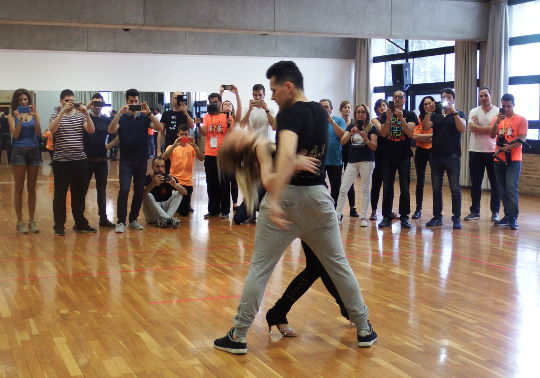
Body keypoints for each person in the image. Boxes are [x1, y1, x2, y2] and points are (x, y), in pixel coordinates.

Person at [213, 61, 377, 355]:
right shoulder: (318, 111)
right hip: (317, 199)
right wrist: (291, 161)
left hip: (286, 201)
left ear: (288, 86)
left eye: (274, 90)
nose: (272, 97)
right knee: (338, 266)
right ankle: (364, 327)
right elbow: (289, 154)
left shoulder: (287, 118)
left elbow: (285, 156)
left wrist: (275, 198)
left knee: (260, 270)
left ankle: (238, 335)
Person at [108, 88, 163, 233]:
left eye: (136, 101)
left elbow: (160, 127)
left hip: (141, 160)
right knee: (124, 189)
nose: (133, 103)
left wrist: (149, 113)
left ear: (139, 101)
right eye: (131, 101)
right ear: (127, 101)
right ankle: (121, 221)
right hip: (126, 161)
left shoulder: (145, 118)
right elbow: (111, 130)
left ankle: (133, 219)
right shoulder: (122, 117)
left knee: (139, 191)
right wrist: (119, 113)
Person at [48, 89, 96, 236]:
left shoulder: (80, 116)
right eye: (67, 100)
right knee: (60, 195)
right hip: (61, 162)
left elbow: (91, 130)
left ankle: (80, 223)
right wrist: (62, 112)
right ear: (61, 101)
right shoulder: (56, 115)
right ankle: (59, 225)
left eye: (72, 101)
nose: (70, 103)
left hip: (79, 161)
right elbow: (52, 129)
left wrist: (86, 113)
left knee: (79, 195)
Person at [423, 88, 466, 230]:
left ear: (453, 99)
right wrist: (429, 111)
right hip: (436, 157)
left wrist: (453, 111)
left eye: (449, 97)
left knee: (455, 189)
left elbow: (462, 128)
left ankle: (456, 218)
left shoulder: (458, 114)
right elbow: (425, 127)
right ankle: (437, 217)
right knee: (436, 188)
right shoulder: (435, 115)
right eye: (443, 97)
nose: (446, 99)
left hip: (452, 157)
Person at [378, 91, 417, 229]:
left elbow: (410, 133)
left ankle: (404, 217)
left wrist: (401, 119)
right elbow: (382, 133)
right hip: (388, 156)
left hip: (404, 156)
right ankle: (386, 216)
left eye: (400, 97)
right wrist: (388, 119)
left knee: (405, 188)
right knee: (387, 187)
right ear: (392, 100)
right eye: (395, 97)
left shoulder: (410, 114)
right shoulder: (385, 115)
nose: (397, 99)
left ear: (404, 100)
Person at [490, 93, 528, 230]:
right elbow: (491, 135)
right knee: (502, 189)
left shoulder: (521, 120)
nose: (506, 109)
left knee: (511, 188)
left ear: (513, 105)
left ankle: (513, 218)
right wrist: (496, 122)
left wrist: (508, 147)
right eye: (503, 106)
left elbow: (522, 139)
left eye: (508, 106)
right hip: (498, 158)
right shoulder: (497, 119)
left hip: (514, 159)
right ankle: (507, 216)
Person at [336, 104, 378, 227]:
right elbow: (342, 141)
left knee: (365, 189)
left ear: (367, 114)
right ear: (355, 114)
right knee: (343, 189)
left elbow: (374, 147)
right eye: (358, 112)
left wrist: (365, 138)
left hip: (367, 161)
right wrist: (350, 134)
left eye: (363, 112)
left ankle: (364, 217)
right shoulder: (351, 126)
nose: (360, 114)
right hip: (352, 162)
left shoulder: (372, 128)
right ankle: (337, 216)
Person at [7, 89, 42, 233]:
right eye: (20, 100)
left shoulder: (35, 114)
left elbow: (38, 133)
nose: (23, 102)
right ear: (16, 102)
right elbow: (15, 134)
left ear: (29, 101)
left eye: (25, 99)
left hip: (34, 151)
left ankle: (32, 221)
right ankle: (20, 221)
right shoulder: (11, 116)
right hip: (19, 152)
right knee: (19, 187)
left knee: (32, 188)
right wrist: (20, 119)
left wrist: (35, 118)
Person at [465, 87, 500, 222]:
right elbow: (472, 128)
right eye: (481, 96)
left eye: (486, 95)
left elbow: (497, 132)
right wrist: (490, 128)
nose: (483, 98)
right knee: (475, 184)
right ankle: (475, 211)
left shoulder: (498, 111)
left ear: (491, 95)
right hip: (475, 151)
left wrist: (481, 128)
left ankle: (495, 212)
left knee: (495, 184)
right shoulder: (474, 111)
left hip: (493, 151)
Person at [84, 93, 117, 228]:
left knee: (102, 191)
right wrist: (89, 105)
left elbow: (119, 134)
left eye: (99, 104)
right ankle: (80, 220)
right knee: (82, 190)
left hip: (102, 160)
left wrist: (109, 145)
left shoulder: (106, 119)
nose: (97, 107)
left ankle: (103, 218)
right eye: (95, 104)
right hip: (86, 160)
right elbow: (78, 115)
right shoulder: (85, 118)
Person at [201, 92, 233, 219]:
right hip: (209, 154)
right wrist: (198, 125)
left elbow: (231, 135)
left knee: (224, 183)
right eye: (211, 102)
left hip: (223, 154)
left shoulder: (227, 117)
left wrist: (230, 124)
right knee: (211, 183)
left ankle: (225, 211)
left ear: (220, 102)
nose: (213, 104)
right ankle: (213, 210)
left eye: (215, 101)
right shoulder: (206, 117)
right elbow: (204, 133)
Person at [163, 125, 204, 216]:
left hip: (187, 183)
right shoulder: (172, 146)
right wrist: (174, 145)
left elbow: (201, 158)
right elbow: (164, 158)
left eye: (186, 134)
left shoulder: (192, 147)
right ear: (178, 134)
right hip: (174, 181)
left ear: (188, 135)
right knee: (173, 208)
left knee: (184, 213)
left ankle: (183, 204)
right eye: (182, 134)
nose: (184, 137)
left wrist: (195, 145)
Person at [370, 99, 398, 221]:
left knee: (389, 186)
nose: (382, 108)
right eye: (379, 106)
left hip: (390, 155)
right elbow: (382, 132)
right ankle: (374, 211)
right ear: (376, 109)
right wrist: (387, 118)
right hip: (378, 156)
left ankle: (388, 210)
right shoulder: (374, 119)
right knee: (376, 185)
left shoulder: (394, 118)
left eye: (384, 106)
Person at [142, 156, 186, 228]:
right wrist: (153, 184)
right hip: (152, 216)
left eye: (162, 167)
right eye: (157, 167)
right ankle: (169, 219)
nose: (160, 169)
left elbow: (185, 192)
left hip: (165, 211)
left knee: (179, 193)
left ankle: (165, 220)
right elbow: (142, 194)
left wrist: (175, 185)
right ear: (152, 167)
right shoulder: (147, 178)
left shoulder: (168, 177)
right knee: (147, 195)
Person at [411, 96, 435, 220]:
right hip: (420, 150)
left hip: (433, 150)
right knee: (420, 181)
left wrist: (424, 137)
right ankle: (418, 209)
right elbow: (415, 137)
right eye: (425, 104)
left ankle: (437, 213)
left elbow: (438, 137)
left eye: (429, 104)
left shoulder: (437, 117)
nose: (427, 106)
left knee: (436, 181)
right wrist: (433, 136)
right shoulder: (419, 118)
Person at [320, 99, 347, 207]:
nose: (324, 109)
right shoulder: (316, 121)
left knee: (336, 187)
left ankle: (336, 211)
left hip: (335, 159)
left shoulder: (339, 120)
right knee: (319, 184)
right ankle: (324, 206)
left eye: (326, 107)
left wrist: (331, 121)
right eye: (322, 107)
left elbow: (342, 135)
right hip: (320, 159)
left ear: (331, 109)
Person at [158, 92, 195, 172]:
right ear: (172, 100)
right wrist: (158, 150)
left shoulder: (188, 113)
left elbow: (192, 126)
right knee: (168, 171)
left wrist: (185, 112)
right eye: (175, 98)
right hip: (169, 147)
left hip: (184, 147)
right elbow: (161, 132)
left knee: (183, 171)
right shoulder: (166, 114)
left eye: (179, 98)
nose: (177, 100)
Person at [338, 101, 359, 217]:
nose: (347, 109)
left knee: (350, 181)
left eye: (349, 107)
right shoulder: (337, 122)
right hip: (337, 153)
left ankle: (352, 208)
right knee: (337, 181)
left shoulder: (353, 123)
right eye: (345, 107)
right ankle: (336, 207)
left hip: (349, 154)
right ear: (341, 109)